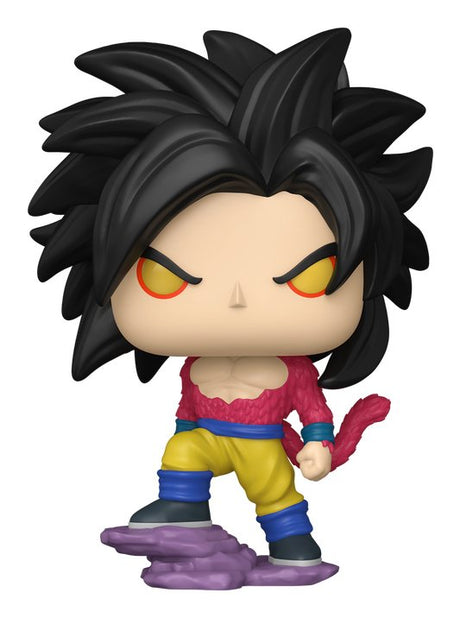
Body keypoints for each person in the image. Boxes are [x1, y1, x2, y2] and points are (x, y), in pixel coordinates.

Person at [29, 28, 431, 567]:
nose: (238, 300)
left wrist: (318, 441)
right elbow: (186, 409)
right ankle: (183, 506)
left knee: (273, 492)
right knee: (182, 449)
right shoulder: (195, 366)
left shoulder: (293, 371)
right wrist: (186, 429)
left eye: (307, 277)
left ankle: (292, 544)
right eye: (167, 277)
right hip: (208, 439)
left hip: (262, 443)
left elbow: (312, 408)